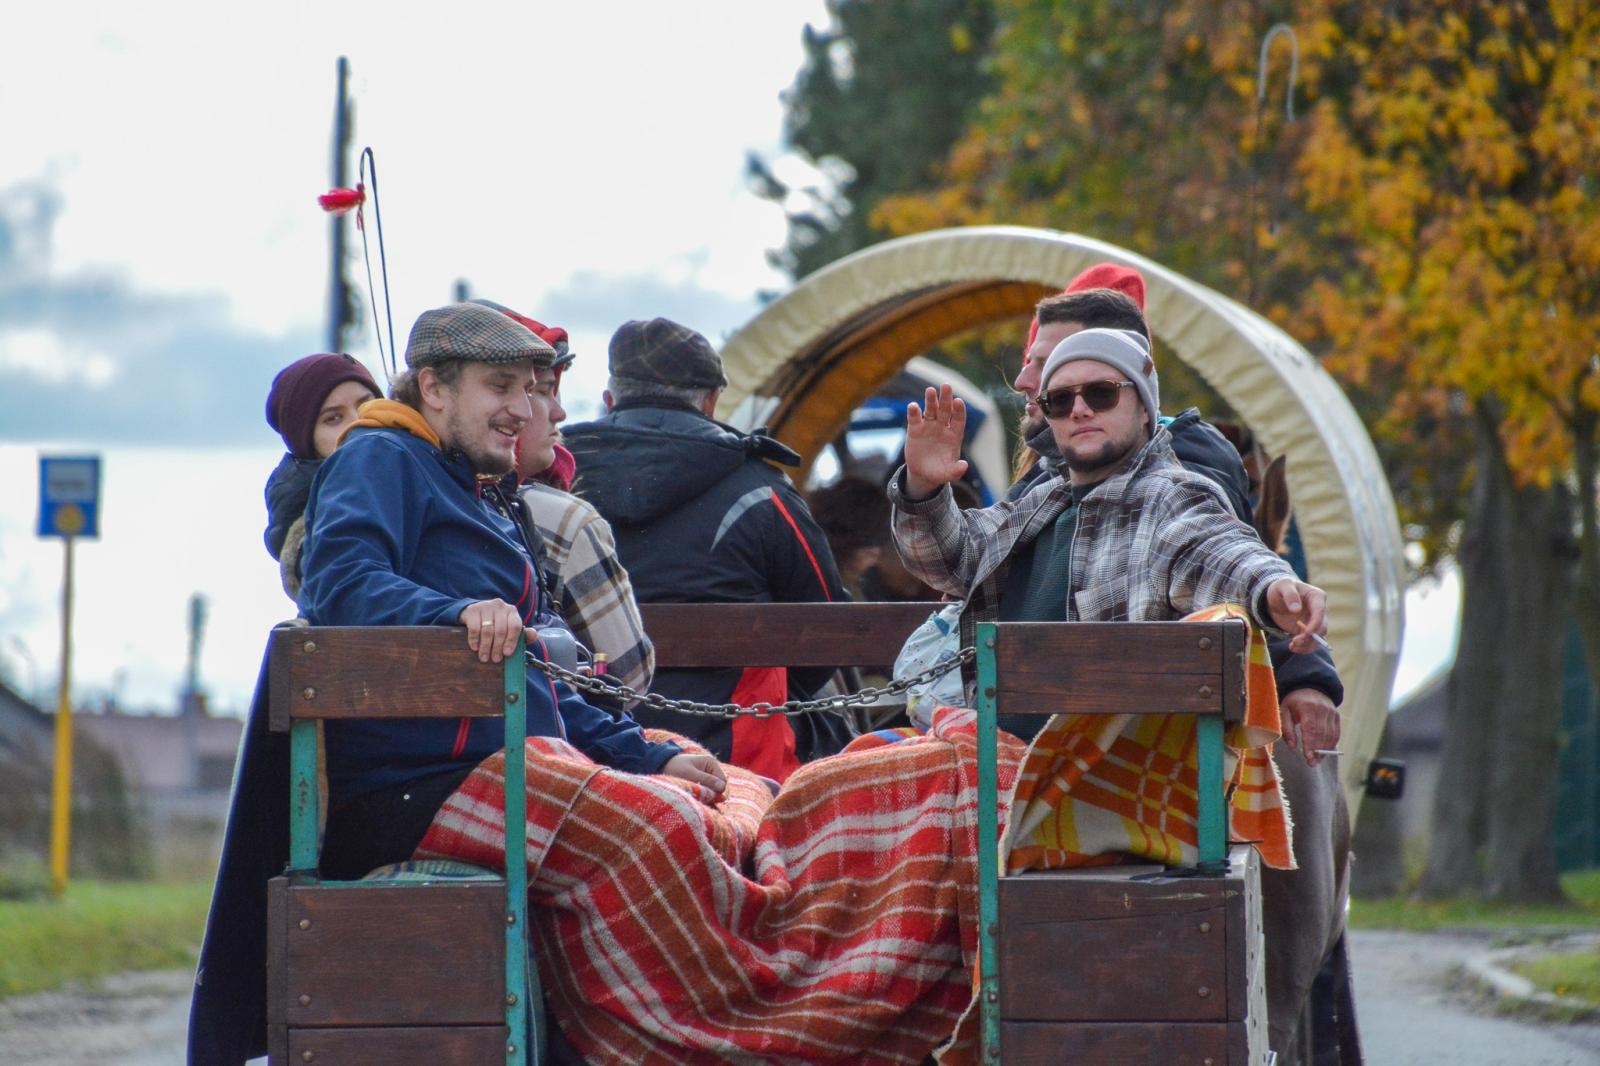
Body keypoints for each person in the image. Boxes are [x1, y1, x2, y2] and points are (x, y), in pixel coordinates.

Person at [890, 328, 1328, 733]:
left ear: (1144, 410)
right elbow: (950, 558)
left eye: (1101, 394)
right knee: (844, 778)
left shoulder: (1169, 496)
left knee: (838, 788)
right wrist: (924, 487)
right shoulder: (1043, 501)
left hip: (1085, 775)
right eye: (1059, 401)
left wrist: (1273, 588)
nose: (1079, 409)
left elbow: (1215, 549)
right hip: (991, 756)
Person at [1006, 271, 1342, 764]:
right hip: (1028, 718)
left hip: (1117, 741)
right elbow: (963, 554)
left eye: (1047, 363)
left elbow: (1220, 553)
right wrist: (920, 493)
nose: (1025, 382)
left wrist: (1302, 668)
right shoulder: (1050, 476)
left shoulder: (1175, 470)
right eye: (1048, 382)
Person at [563, 317, 852, 782]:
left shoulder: (551, 488)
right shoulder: (762, 490)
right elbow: (827, 626)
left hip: (587, 757)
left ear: (610, 399)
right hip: (741, 764)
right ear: (713, 401)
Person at [471, 298, 656, 698]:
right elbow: (631, 675)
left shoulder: (407, 484)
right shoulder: (564, 519)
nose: (560, 412)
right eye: (542, 391)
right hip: (535, 738)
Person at [261, 352, 380, 599]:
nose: (358, 423)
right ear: (307, 442)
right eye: (333, 418)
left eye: (367, 406)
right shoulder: (313, 527)